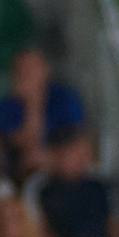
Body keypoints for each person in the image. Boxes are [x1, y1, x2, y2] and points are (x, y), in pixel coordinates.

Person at [25, 126, 119, 237]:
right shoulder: (39, 187)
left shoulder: (101, 184)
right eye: (75, 153)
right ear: (56, 155)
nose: (83, 159)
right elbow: (36, 233)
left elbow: (116, 230)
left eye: (85, 153)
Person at [0, 47, 86, 182]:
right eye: (22, 70)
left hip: (63, 166)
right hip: (22, 174)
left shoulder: (64, 97)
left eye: (33, 68)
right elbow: (25, 146)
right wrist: (32, 103)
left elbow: (77, 139)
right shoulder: (8, 106)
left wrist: (51, 158)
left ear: (46, 70)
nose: (28, 74)